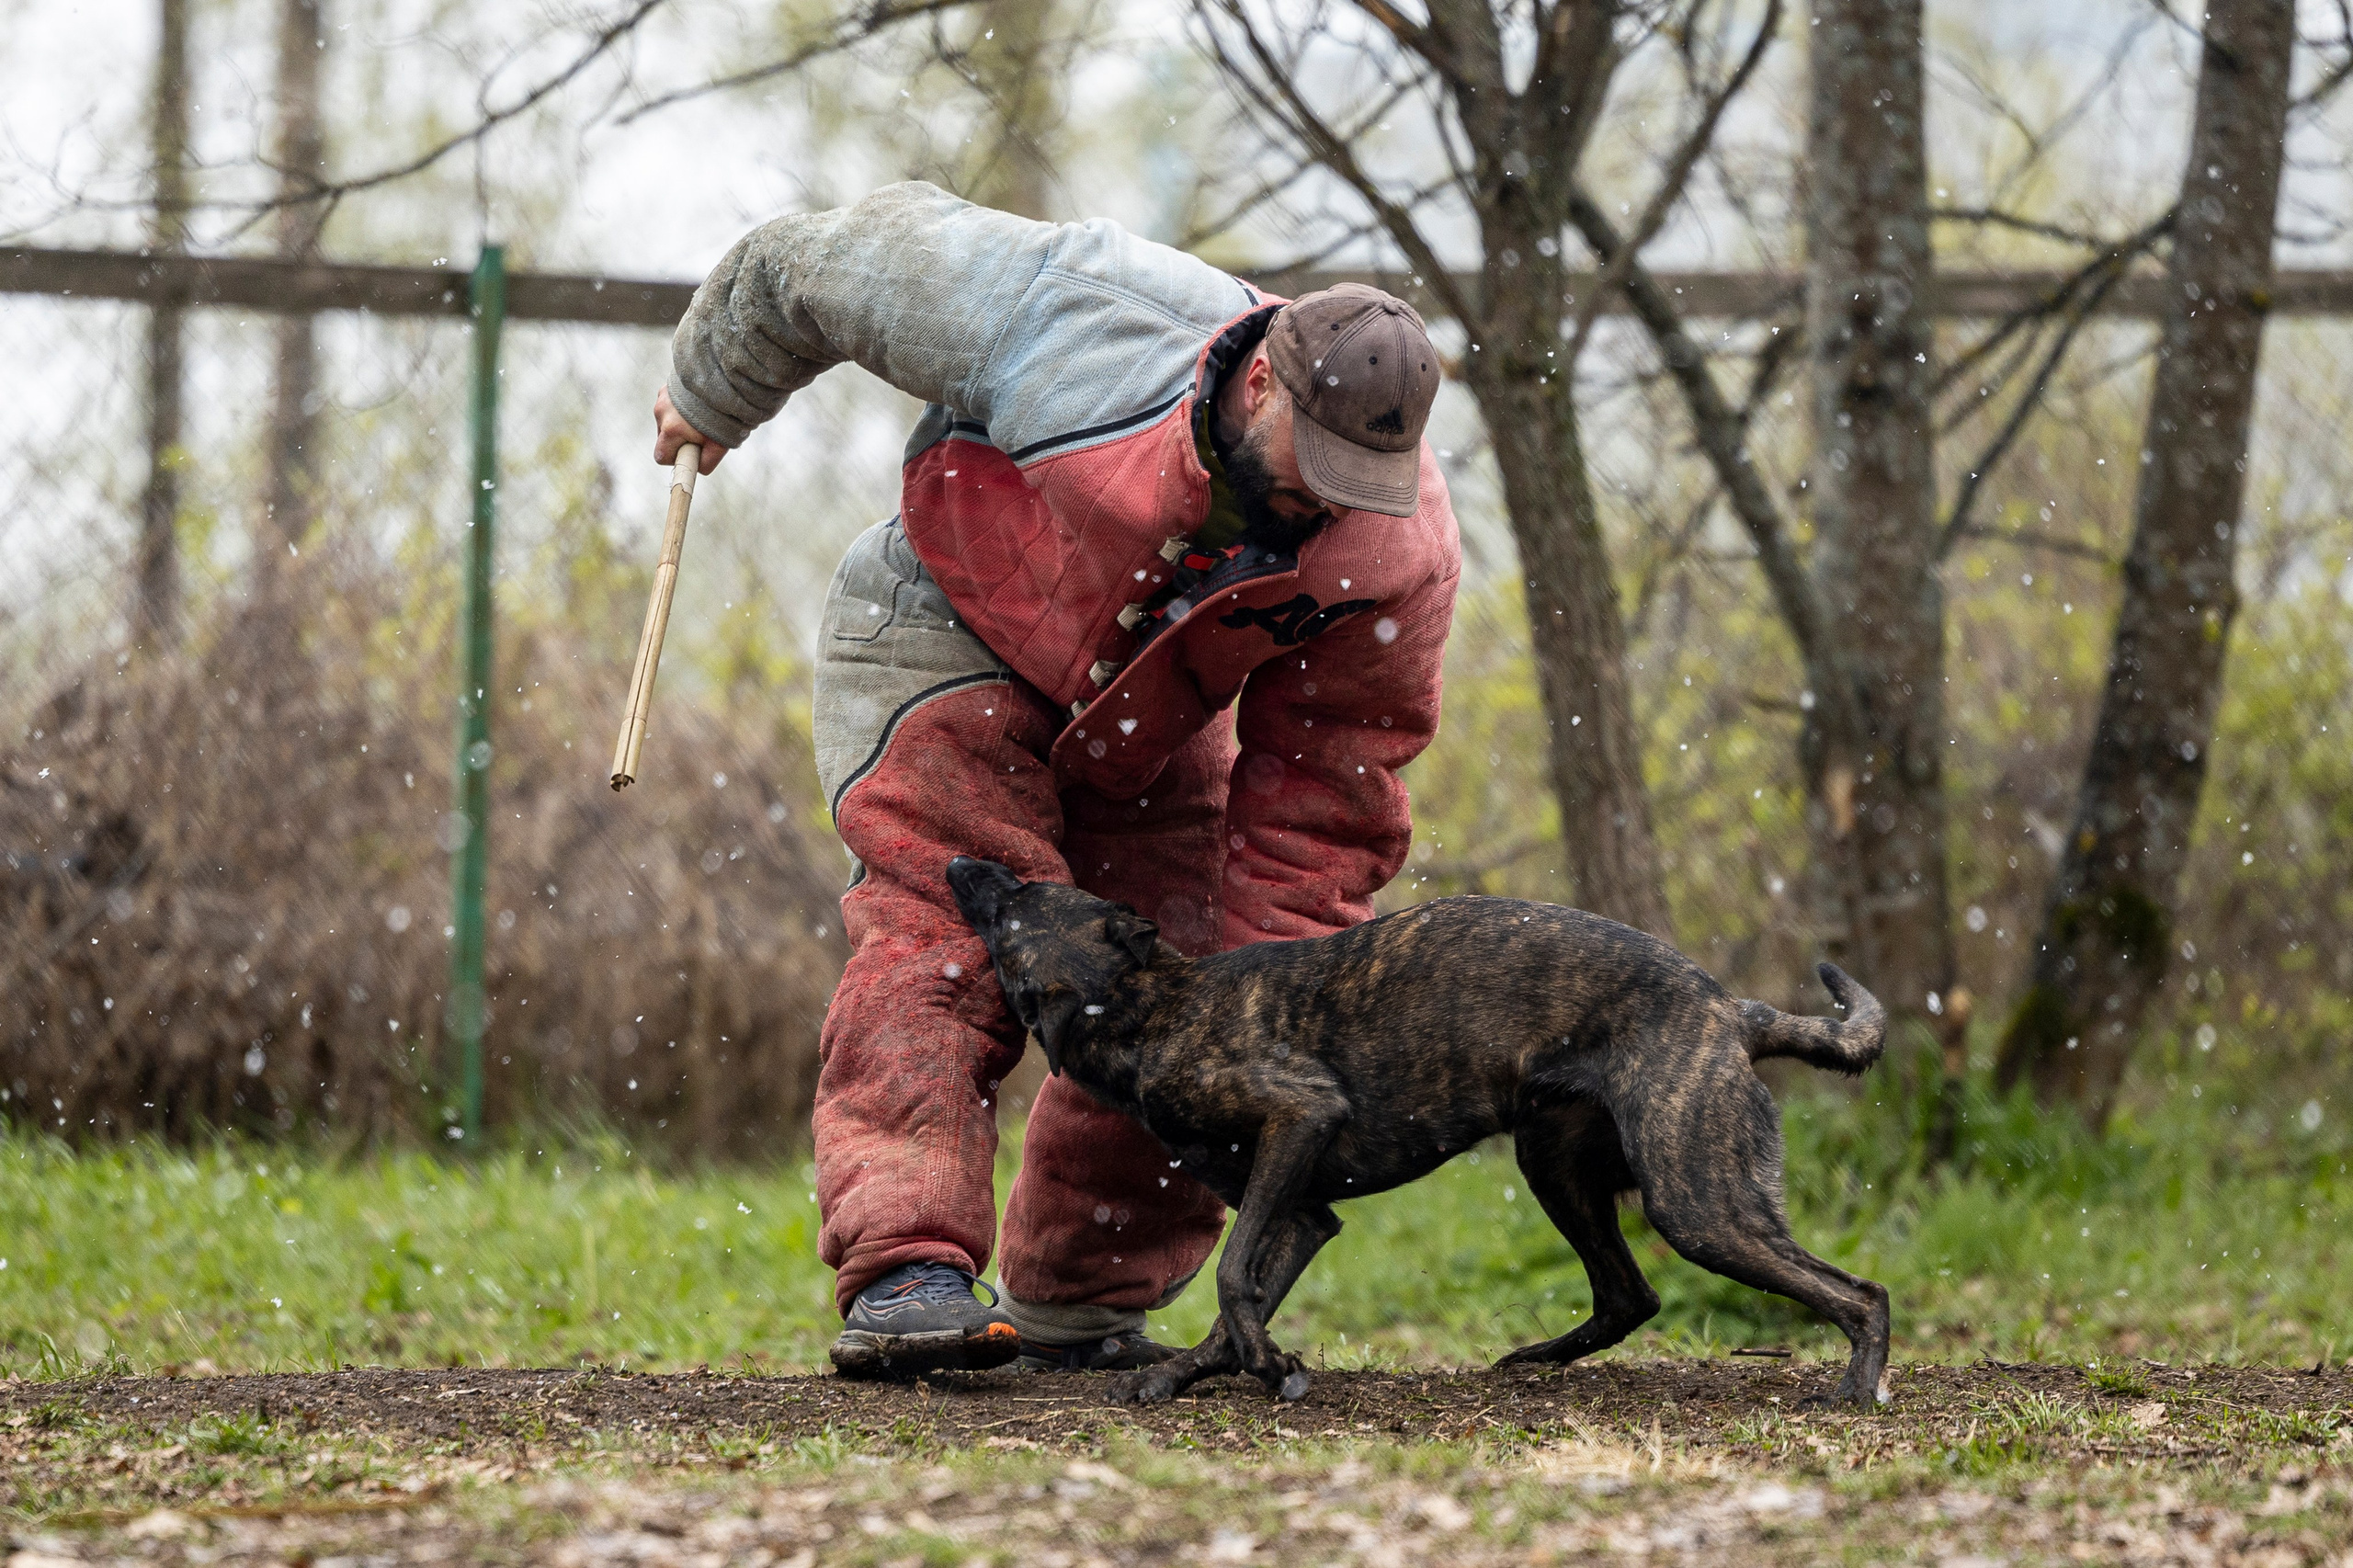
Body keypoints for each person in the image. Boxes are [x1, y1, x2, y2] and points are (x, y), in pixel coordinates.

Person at [653, 181, 1459, 1377]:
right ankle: (908, 1268)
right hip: (945, 628)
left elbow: (1327, 798)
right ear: (1260, 385)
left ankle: (1080, 1297)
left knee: (1185, 992)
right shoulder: (1073, 309)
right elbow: (812, 260)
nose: (1329, 500)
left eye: (1362, 477)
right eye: (1316, 462)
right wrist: (715, 390)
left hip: (1147, 711)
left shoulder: (1395, 552)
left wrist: (1272, 1005)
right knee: (955, 925)